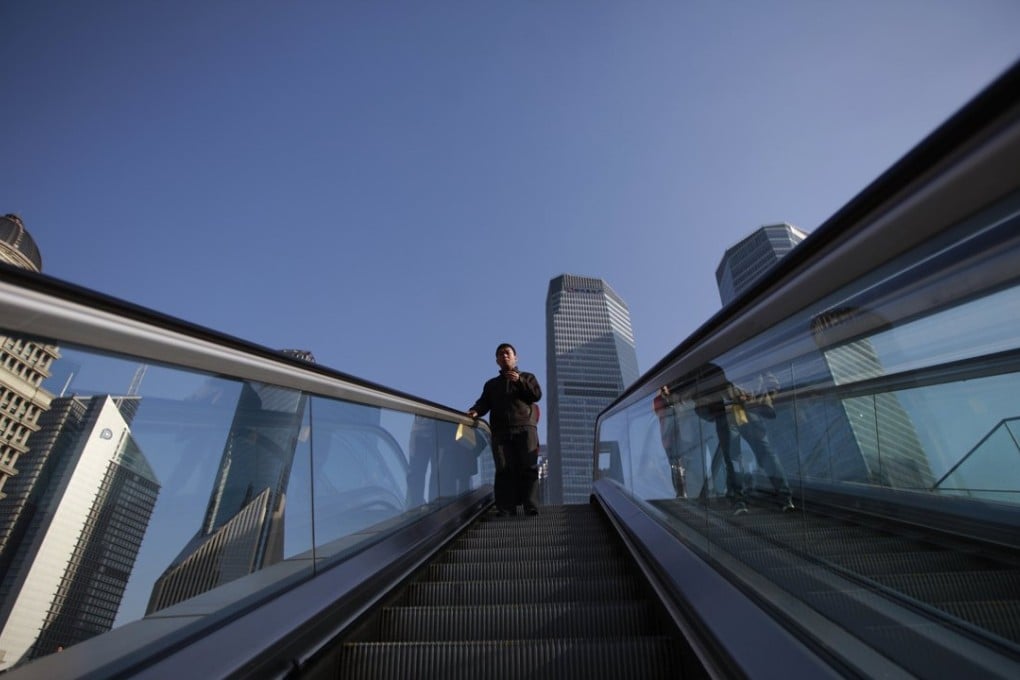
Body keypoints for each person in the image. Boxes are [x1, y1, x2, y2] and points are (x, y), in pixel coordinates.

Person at [467, 343, 542, 516]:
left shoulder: (528, 377)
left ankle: (531, 506)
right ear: (497, 361)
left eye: (507, 353)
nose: (504, 356)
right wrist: (475, 411)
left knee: (528, 466)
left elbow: (536, 395)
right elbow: (483, 402)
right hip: (500, 431)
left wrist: (519, 381)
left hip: (525, 428)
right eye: (500, 354)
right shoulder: (491, 384)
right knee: (503, 468)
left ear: (516, 357)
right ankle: (506, 508)